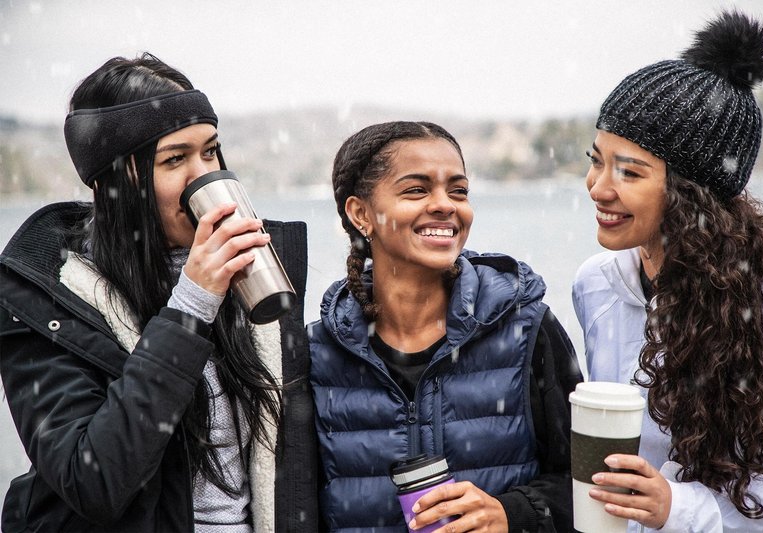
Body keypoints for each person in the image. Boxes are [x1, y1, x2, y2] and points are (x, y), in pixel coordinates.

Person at [0, 53, 317, 531]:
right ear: (118, 181)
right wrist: (191, 304)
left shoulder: (251, 277)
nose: (202, 175)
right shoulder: (47, 298)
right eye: (174, 159)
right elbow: (95, 481)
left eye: (209, 152)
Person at [572, 10, 763, 532]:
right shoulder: (595, 284)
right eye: (597, 159)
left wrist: (679, 509)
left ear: (689, 193)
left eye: (629, 171)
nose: (598, 187)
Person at [307, 120, 583, 532]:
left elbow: (591, 484)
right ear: (361, 214)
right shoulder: (316, 353)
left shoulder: (527, 330)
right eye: (417, 189)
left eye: (458, 190)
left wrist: (513, 514)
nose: (445, 204)